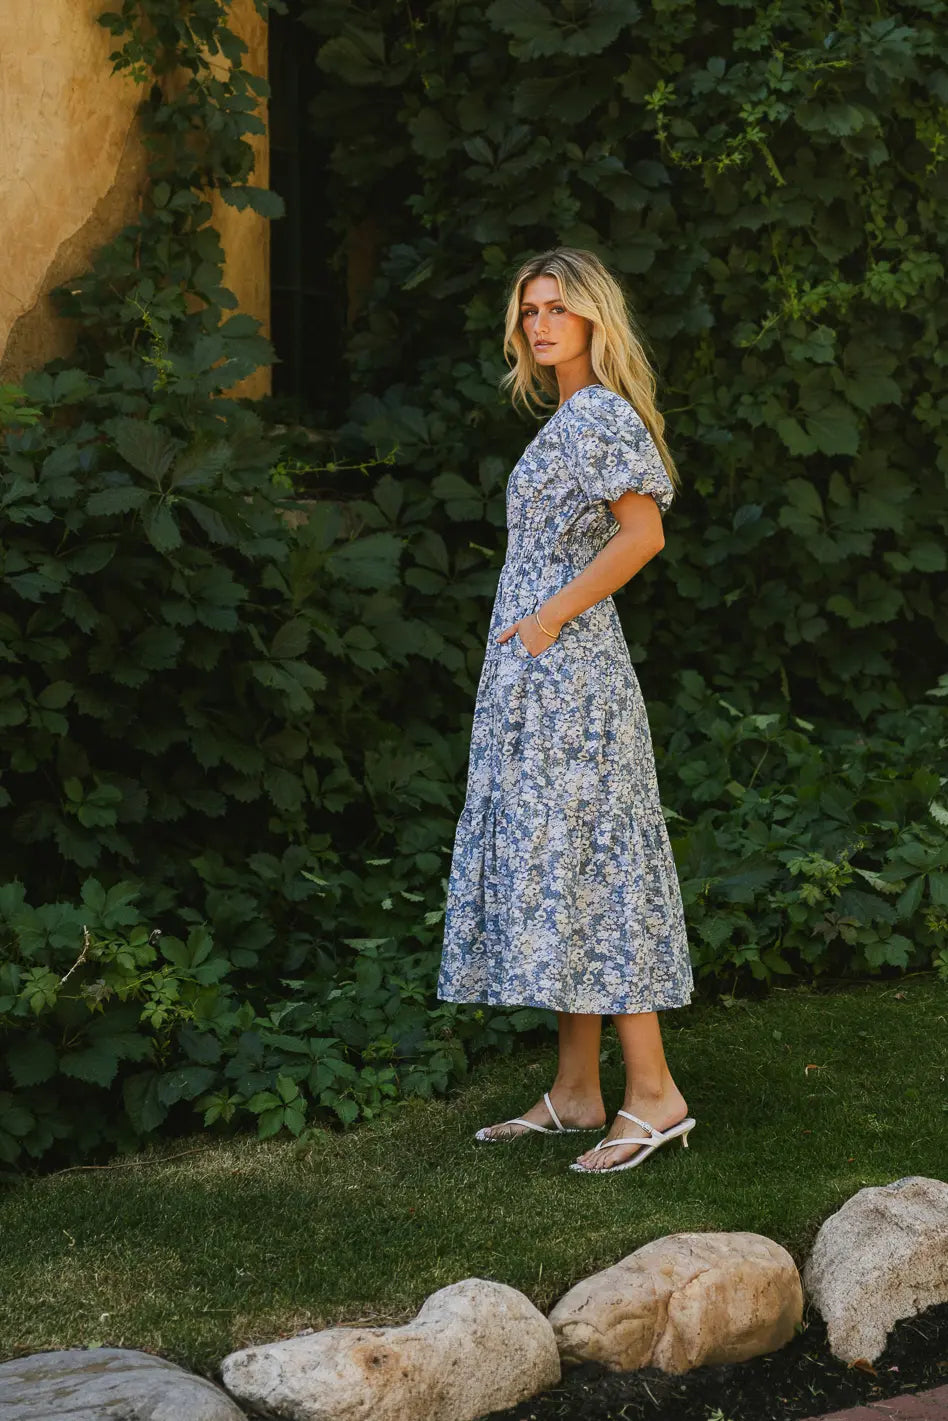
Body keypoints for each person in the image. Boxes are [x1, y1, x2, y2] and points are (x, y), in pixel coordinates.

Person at [437, 246, 695, 1175]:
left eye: (558, 307)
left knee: (593, 857)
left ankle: (655, 1093)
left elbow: (643, 534)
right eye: (530, 309)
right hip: (539, 674)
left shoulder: (597, 416)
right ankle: (578, 1087)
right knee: (562, 863)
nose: (540, 323)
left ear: (593, 317)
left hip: (571, 675)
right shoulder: (571, 415)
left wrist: (548, 617)